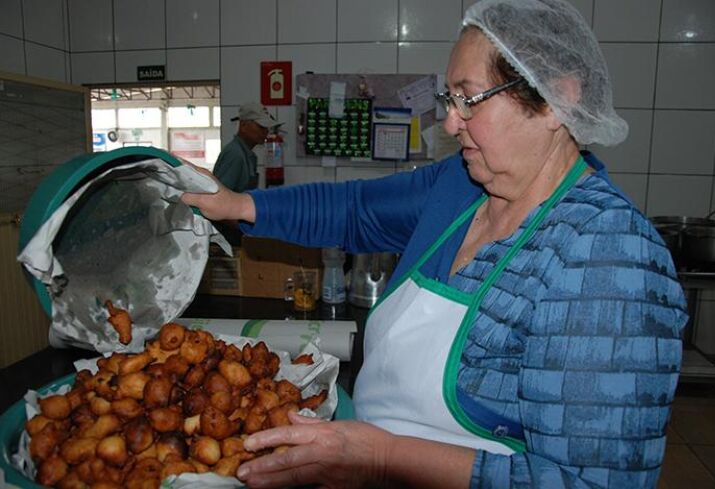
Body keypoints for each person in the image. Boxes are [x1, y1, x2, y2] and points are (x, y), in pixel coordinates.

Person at [182, 0, 688, 487]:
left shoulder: (609, 258)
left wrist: (381, 458)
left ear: (558, 99)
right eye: (451, 99)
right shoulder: (461, 186)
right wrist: (241, 206)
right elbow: (356, 209)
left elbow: (587, 482)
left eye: (469, 98)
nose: (450, 122)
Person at [213, 102, 281, 193]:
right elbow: (219, 197)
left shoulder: (246, 155)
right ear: (243, 126)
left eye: (267, 128)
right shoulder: (235, 154)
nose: (266, 131)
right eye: (261, 127)